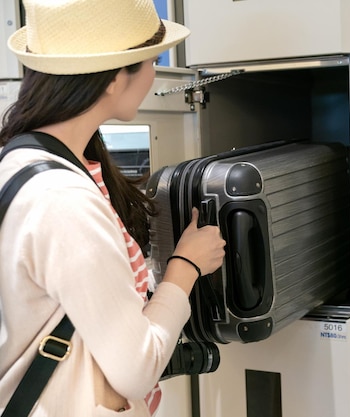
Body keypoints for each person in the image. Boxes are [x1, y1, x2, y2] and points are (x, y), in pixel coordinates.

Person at [0, 0, 226, 415]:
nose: (155, 73)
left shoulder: (21, 160)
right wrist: (185, 267)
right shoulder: (62, 201)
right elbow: (135, 370)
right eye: (150, 60)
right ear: (112, 78)